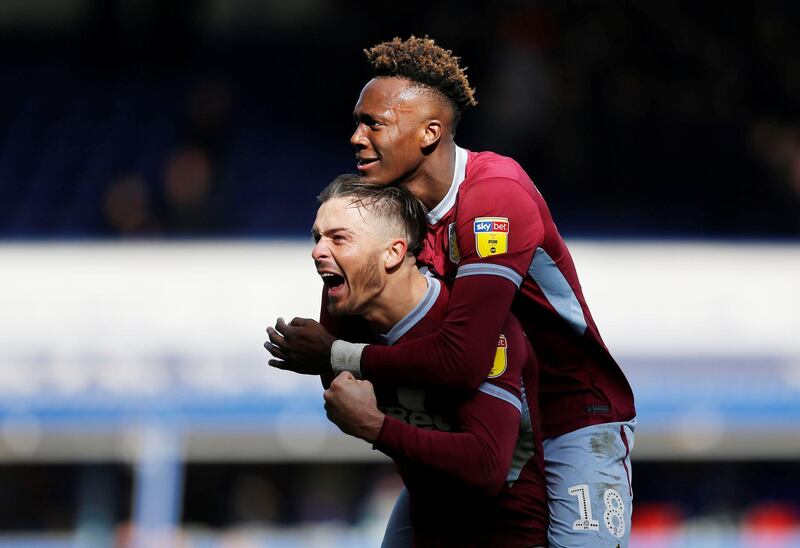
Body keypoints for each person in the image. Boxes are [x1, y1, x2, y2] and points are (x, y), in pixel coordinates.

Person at [266, 36, 636, 547]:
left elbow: (461, 359)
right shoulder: (387, 210)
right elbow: (339, 356)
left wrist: (340, 354)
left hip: (569, 416)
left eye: (374, 123)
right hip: (477, 416)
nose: (355, 137)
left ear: (429, 133)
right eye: (356, 121)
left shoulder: (494, 198)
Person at [283, 174, 548, 546]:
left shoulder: (473, 328)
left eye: (338, 238)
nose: (317, 252)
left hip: (505, 533)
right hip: (427, 523)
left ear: (393, 252)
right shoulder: (347, 321)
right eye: (317, 238)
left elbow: (487, 465)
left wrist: (376, 427)